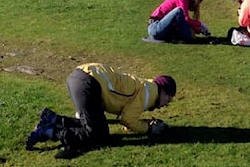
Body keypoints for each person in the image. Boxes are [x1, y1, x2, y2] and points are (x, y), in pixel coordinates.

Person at [25, 63, 177, 159]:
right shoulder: (149, 95)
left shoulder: (147, 87)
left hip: (80, 76)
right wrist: (149, 129)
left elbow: (128, 115)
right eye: (169, 98)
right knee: (97, 134)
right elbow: (128, 120)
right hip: (89, 83)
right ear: (163, 91)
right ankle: (49, 131)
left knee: (97, 126)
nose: (167, 103)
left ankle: (52, 119)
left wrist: (139, 124)